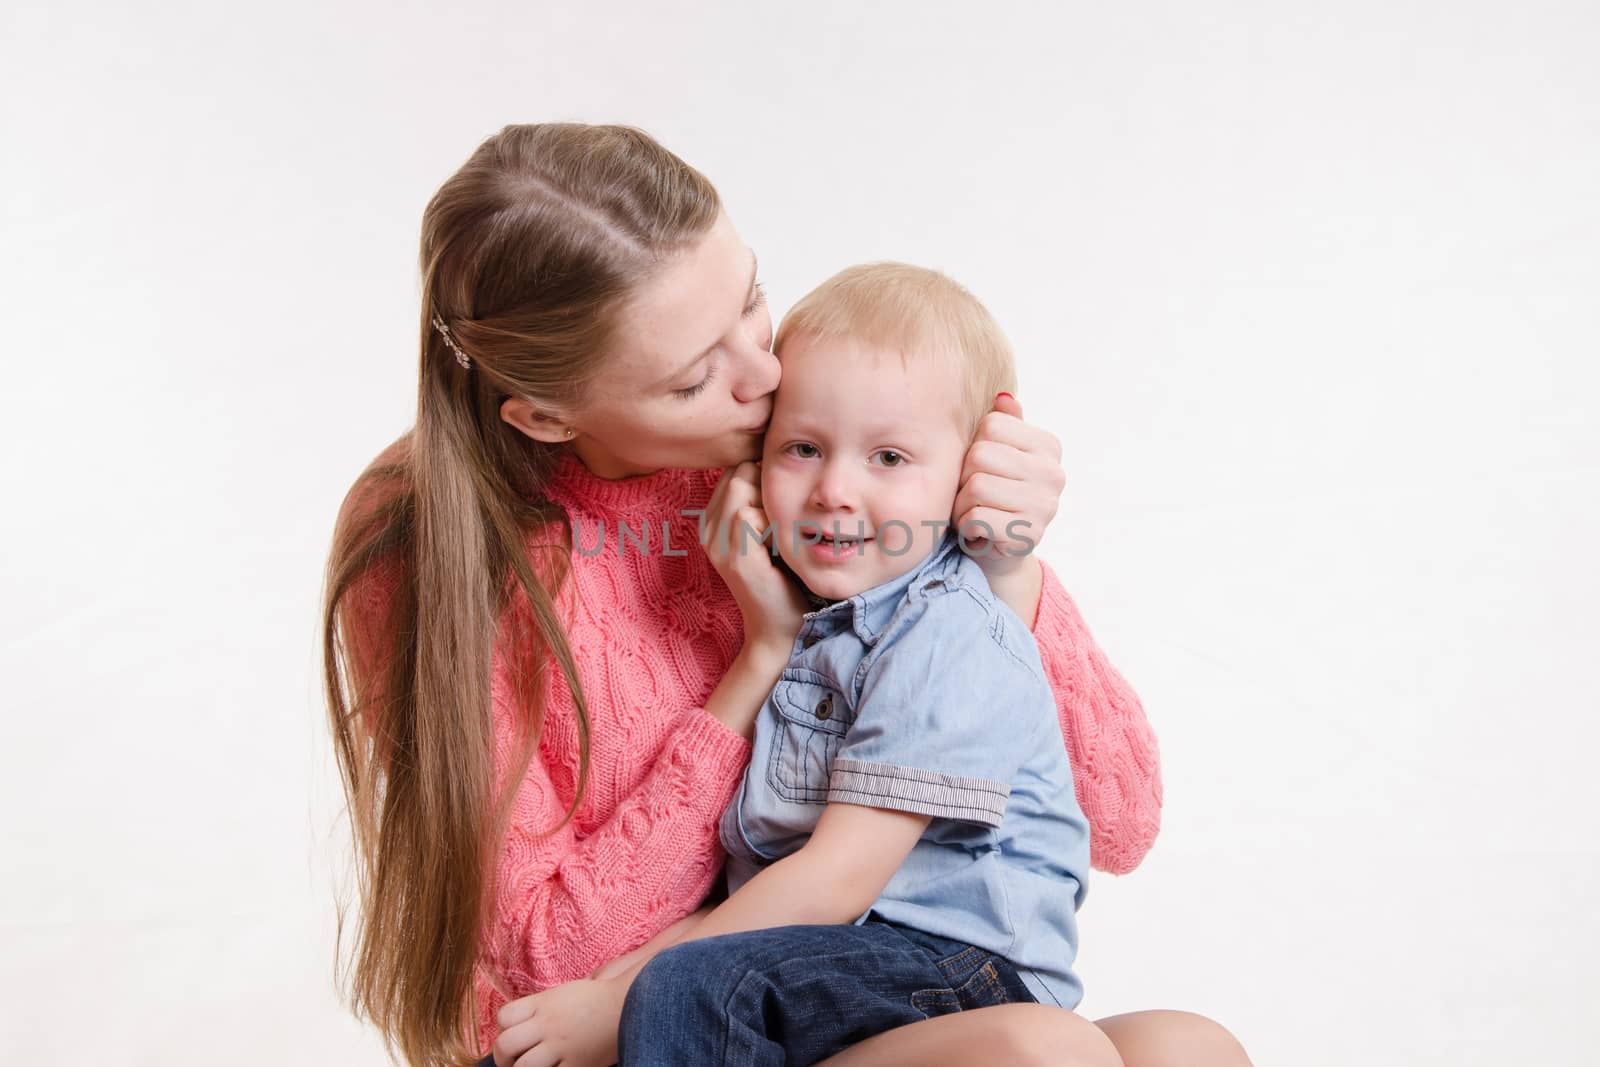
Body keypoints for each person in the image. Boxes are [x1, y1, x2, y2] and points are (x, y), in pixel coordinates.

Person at [324, 122, 1248, 1067]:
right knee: (1041, 1055)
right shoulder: (430, 541)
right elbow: (549, 965)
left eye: (751, 300)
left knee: (1190, 1050)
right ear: (548, 415)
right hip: (639, 1025)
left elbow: (1122, 820)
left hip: (833, 988)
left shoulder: (811, 457)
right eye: (695, 378)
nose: (766, 377)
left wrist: (1003, 568)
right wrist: (757, 663)